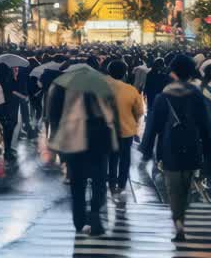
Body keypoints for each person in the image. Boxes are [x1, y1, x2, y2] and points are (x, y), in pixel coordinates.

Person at [140, 55, 211, 241]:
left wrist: (146, 149)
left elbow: (153, 126)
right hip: (192, 146)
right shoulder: (196, 95)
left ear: (173, 72)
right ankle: (183, 214)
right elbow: (206, 126)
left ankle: (178, 223)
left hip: (170, 147)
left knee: (173, 188)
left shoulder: (163, 96)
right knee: (186, 186)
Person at [47, 67, 119, 236]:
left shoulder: (61, 88)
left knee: (77, 184)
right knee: (99, 181)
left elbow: (54, 117)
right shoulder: (102, 87)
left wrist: (57, 144)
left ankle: (79, 222)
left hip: (73, 141)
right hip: (99, 140)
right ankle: (94, 213)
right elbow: (113, 114)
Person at [106, 59, 145, 196]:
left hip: (106, 130)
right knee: (124, 158)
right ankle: (121, 184)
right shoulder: (131, 90)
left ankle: (110, 182)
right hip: (126, 130)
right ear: (124, 73)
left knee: (110, 157)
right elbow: (139, 112)